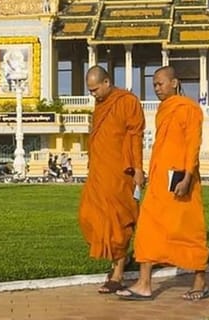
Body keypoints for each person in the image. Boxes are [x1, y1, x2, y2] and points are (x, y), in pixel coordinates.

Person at [116, 66, 209, 301]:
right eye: (154, 85)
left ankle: (200, 280)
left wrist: (188, 176)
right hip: (160, 179)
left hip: (181, 178)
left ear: (175, 82)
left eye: (160, 84)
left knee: (188, 230)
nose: (157, 88)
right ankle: (144, 283)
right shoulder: (163, 109)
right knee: (147, 226)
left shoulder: (189, 108)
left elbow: (193, 144)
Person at [77, 65, 145, 294]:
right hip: (99, 172)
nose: (93, 94)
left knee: (118, 221)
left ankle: (117, 272)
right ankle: (116, 261)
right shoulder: (100, 104)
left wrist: (138, 168)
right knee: (88, 216)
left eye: (95, 89)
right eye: (90, 91)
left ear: (107, 82)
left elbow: (135, 136)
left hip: (119, 172)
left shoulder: (127, 101)